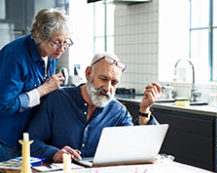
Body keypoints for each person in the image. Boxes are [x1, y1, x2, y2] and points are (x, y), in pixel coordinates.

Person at [28, 52, 162, 162]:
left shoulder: (118, 112)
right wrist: (55, 153)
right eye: (103, 79)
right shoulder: (57, 100)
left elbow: (136, 149)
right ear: (88, 74)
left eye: (114, 83)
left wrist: (144, 110)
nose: (108, 88)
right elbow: (31, 143)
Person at [0, 8, 72, 162]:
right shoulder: (15, 55)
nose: (61, 49)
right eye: (56, 43)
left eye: (66, 42)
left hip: (33, 139)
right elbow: (5, 105)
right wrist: (43, 90)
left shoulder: (51, 54)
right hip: (9, 140)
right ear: (39, 36)